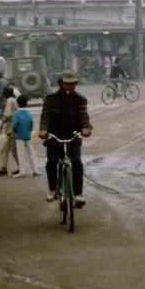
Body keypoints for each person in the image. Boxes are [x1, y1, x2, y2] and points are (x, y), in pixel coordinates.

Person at [38, 71, 93, 207]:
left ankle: (78, 194)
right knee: (52, 162)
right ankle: (52, 189)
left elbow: (84, 117)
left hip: (72, 137)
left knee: (77, 163)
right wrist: (43, 130)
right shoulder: (51, 99)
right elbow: (45, 117)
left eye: (72, 84)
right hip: (54, 138)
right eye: (67, 84)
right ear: (61, 84)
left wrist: (86, 128)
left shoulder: (80, 99)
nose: (70, 86)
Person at [0, 87, 21, 176]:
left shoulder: (9, 100)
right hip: (14, 128)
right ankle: (4, 168)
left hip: (12, 129)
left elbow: (7, 115)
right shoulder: (13, 99)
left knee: (14, 151)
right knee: (5, 150)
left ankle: (21, 167)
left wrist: (1, 126)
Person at [11, 95, 39, 178]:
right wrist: (29, 131)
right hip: (28, 135)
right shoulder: (29, 113)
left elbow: (14, 125)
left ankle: (22, 172)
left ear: (17, 103)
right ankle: (36, 170)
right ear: (26, 103)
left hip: (19, 136)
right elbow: (31, 124)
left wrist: (15, 132)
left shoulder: (16, 114)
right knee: (31, 153)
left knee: (21, 154)